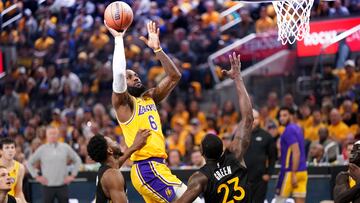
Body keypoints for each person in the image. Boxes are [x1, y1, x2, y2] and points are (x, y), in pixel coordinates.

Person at [105, 20, 201, 203]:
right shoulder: (124, 104)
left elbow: (175, 76)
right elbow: (118, 75)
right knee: (194, 201)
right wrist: (118, 40)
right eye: (130, 77)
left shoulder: (149, 97)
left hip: (158, 166)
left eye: (135, 74)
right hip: (146, 168)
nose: (135, 77)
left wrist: (158, 50)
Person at [174, 52, 254, 203]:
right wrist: (238, 78)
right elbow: (248, 118)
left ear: (202, 152)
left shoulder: (200, 177)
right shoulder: (235, 155)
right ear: (223, 147)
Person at [87, 129, 151, 203]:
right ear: (110, 150)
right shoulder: (112, 175)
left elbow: (118, 162)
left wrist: (135, 146)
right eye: (112, 142)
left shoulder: (108, 169)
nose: (115, 142)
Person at [26, 126, 82, 203]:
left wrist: (73, 175)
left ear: (58, 135)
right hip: (47, 186)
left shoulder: (65, 147)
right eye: (50, 133)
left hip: (62, 185)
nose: (53, 135)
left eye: (55, 133)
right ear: (46, 135)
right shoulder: (42, 149)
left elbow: (78, 160)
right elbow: (29, 163)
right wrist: (36, 177)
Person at [275, 107, 307, 203]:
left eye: (285, 115)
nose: (282, 118)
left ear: (292, 116)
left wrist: (293, 174)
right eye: (280, 116)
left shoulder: (288, 130)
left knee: (279, 200)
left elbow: (296, 152)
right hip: (303, 171)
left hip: (290, 171)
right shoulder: (298, 128)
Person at [244, 109, 277, 203]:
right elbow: (234, 156)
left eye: (256, 118)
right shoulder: (240, 136)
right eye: (251, 118)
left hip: (260, 179)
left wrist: (269, 173)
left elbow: (272, 157)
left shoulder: (267, 136)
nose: (253, 121)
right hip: (244, 178)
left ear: (259, 120)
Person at [0, 138, 26, 202]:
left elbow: (18, 192)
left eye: (12, 147)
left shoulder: (20, 167)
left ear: (15, 150)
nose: (10, 150)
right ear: (1, 151)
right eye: (7, 148)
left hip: (11, 200)